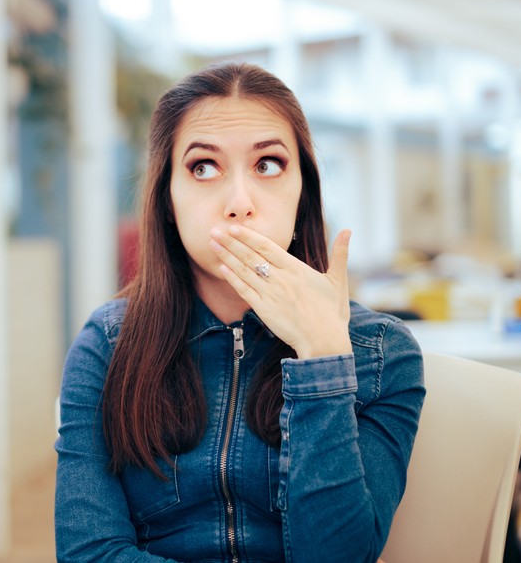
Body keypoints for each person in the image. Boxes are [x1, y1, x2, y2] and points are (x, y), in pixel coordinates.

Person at [54, 62, 425, 563]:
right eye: (203, 167)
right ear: (167, 200)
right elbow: (88, 552)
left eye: (267, 165)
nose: (239, 203)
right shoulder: (106, 345)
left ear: (303, 194)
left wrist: (323, 357)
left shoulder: (382, 353)